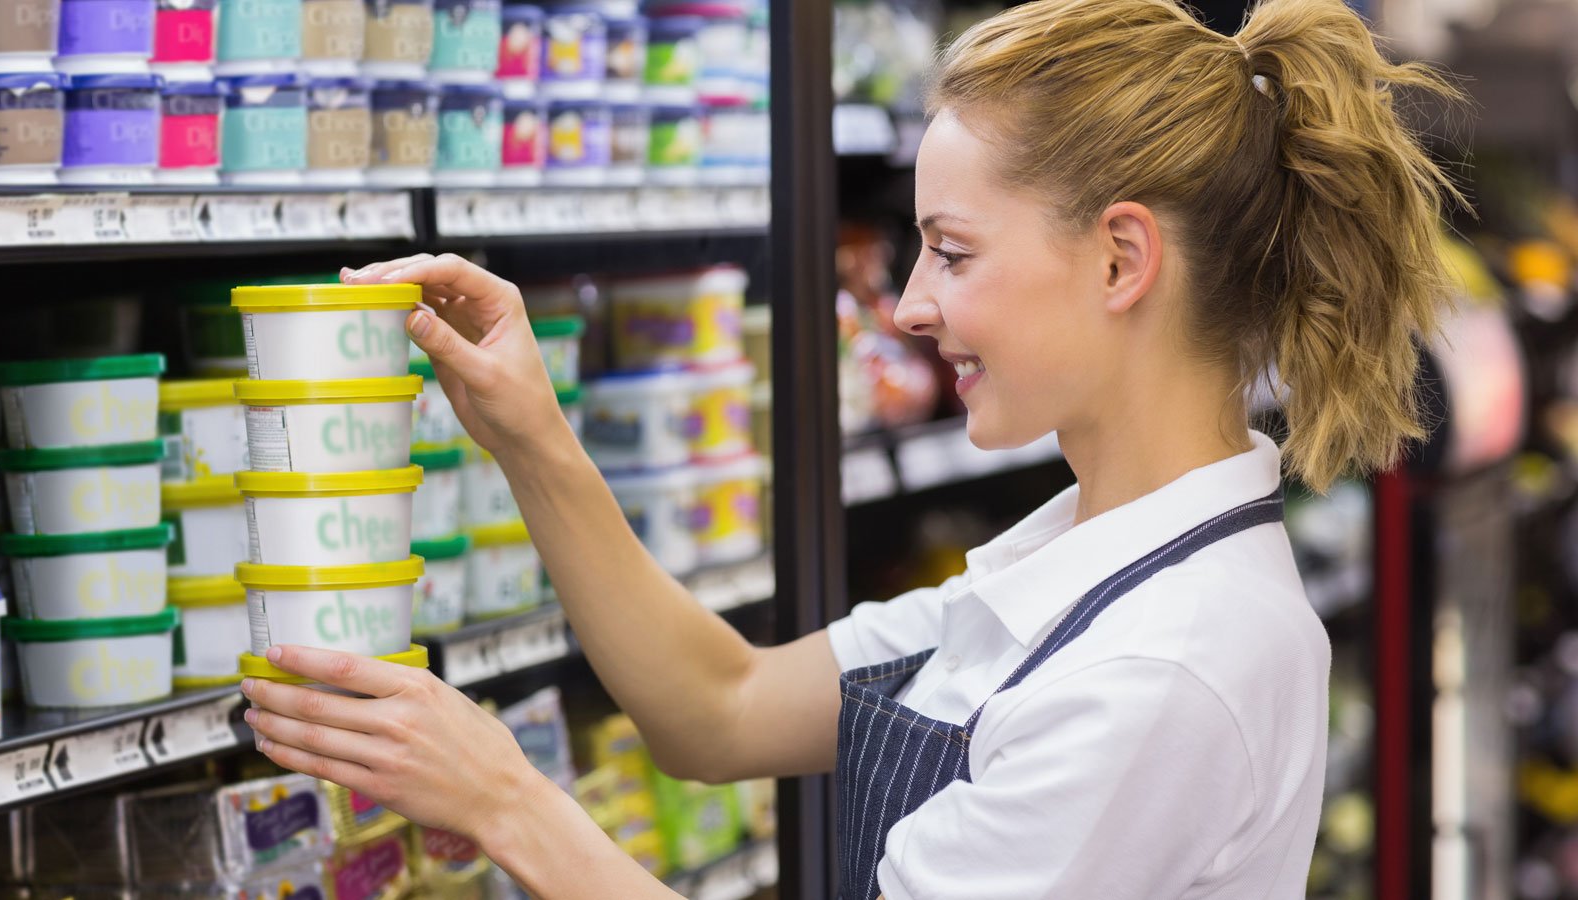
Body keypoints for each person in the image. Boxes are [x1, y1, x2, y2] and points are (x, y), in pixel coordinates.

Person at [239, 0, 1462, 896]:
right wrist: (531, 433)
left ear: (1120, 258)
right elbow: (715, 709)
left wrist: (503, 798)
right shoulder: (1077, 565)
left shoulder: (1165, 668)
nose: (911, 306)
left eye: (954, 250)